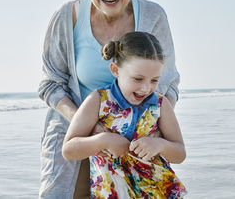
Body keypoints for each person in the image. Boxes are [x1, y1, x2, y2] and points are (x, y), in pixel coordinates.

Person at [38, 0, 180, 198]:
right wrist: (92, 128)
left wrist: (153, 139)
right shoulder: (66, 18)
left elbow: (168, 84)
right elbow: (51, 84)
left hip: (135, 148)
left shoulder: (153, 16)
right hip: (76, 139)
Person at [62, 32, 187, 198]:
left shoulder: (160, 104)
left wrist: (160, 145)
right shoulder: (98, 101)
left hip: (157, 193)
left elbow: (180, 153)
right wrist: (103, 140)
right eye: (138, 79)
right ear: (115, 70)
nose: (146, 88)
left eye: (154, 80)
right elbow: (68, 150)